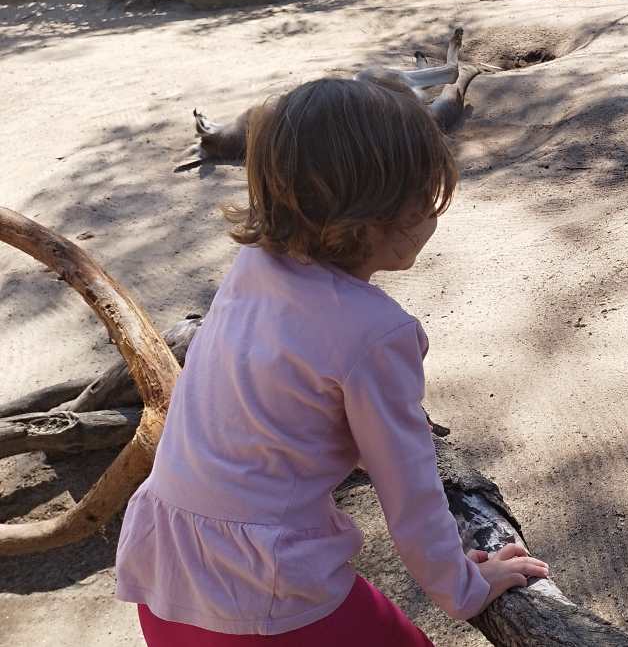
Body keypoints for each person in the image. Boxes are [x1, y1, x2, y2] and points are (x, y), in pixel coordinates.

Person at [115, 78, 548, 645]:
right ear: (371, 218)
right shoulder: (376, 333)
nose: (433, 218)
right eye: (424, 200)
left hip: (163, 569)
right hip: (262, 592)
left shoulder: (252, 267)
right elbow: (411, 492)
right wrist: (464, 587)